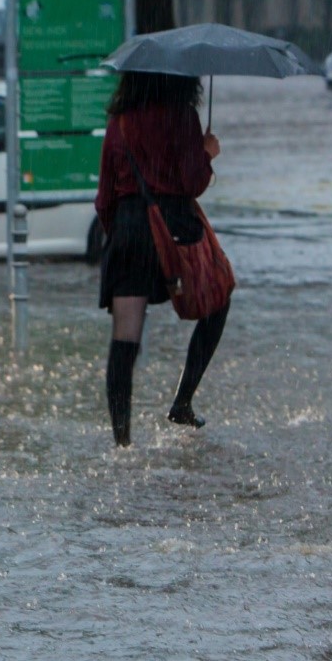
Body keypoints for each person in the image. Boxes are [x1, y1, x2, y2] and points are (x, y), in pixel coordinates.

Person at [95, 72, 229, 447]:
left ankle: (121, 441)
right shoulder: (181, 115)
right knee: (219, 299)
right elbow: (191, 182)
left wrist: (121, 234)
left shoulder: (119, 120)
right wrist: (207, 152)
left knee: (125, 336)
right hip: (173, 229)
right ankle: (182, 401)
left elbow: (104, 196)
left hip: (127, 231)